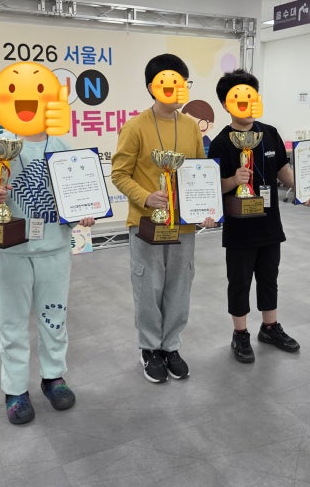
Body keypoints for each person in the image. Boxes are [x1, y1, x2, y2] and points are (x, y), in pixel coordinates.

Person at [0, 61, 94, 424]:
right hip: (12, 253)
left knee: (54, 318)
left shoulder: (62, 145)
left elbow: (75, 194)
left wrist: (85, 211)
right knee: (12, 323)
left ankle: (54, 377)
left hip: (55, 250)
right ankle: (15, 389)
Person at [111, 53, 214, 384]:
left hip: (183, 225)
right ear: (151, 87)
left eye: (181, 82)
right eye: (168, 82)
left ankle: (171, 346)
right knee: (148, 286)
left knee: (180, 285)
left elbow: (199, 171)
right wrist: (145, 197)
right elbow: (119, 174)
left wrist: (204, 208)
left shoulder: (191, 127)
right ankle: (149, 348)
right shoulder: (135, 127)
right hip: (147, 224)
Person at [208, 69, 310, 364]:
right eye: (238, 97)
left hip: (269, 224)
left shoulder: (269, 133)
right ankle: (240, 333)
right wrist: (234, 180)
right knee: (239, 281)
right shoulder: (220, 143)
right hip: (239, 229)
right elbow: (213, 187)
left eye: (251, 95)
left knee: (269, 278)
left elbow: (282, 169)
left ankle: (270, 327)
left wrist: (303, 190)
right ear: (226, 104)